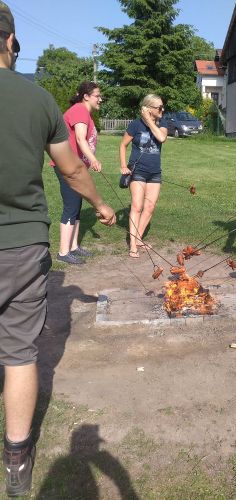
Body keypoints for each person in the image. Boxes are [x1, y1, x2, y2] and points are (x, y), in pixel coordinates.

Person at [0, 2, 116, 496]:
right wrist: (103, 206)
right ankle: (18, 460)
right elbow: (71, 169)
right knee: (20, 353)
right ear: (10, 41)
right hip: (20, 242)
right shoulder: (38, 100)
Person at [53, 81, 103, 265]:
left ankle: (73, 247)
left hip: (75, 167)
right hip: (67, 166)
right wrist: (94, 159)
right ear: (86, 96)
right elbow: (81, 140)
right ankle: (63, 252)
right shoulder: (80, 110)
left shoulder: (85, 113)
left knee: (77, 205)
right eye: (97, 95)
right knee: (71, 205)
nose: (100, 99)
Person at [119, 94, 168, 258]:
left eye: (162, 107)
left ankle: (138, 239)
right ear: (149, 108)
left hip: (155, 172)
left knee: (149, 207)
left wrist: (150, 122)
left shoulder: (163, 124)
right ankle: (132, 245)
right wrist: (123, 166)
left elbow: (161, 138)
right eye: (159, 107)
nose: (163, 110)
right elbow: (123, 145)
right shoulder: (135, 125)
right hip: (138, 171)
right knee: (137, 206)